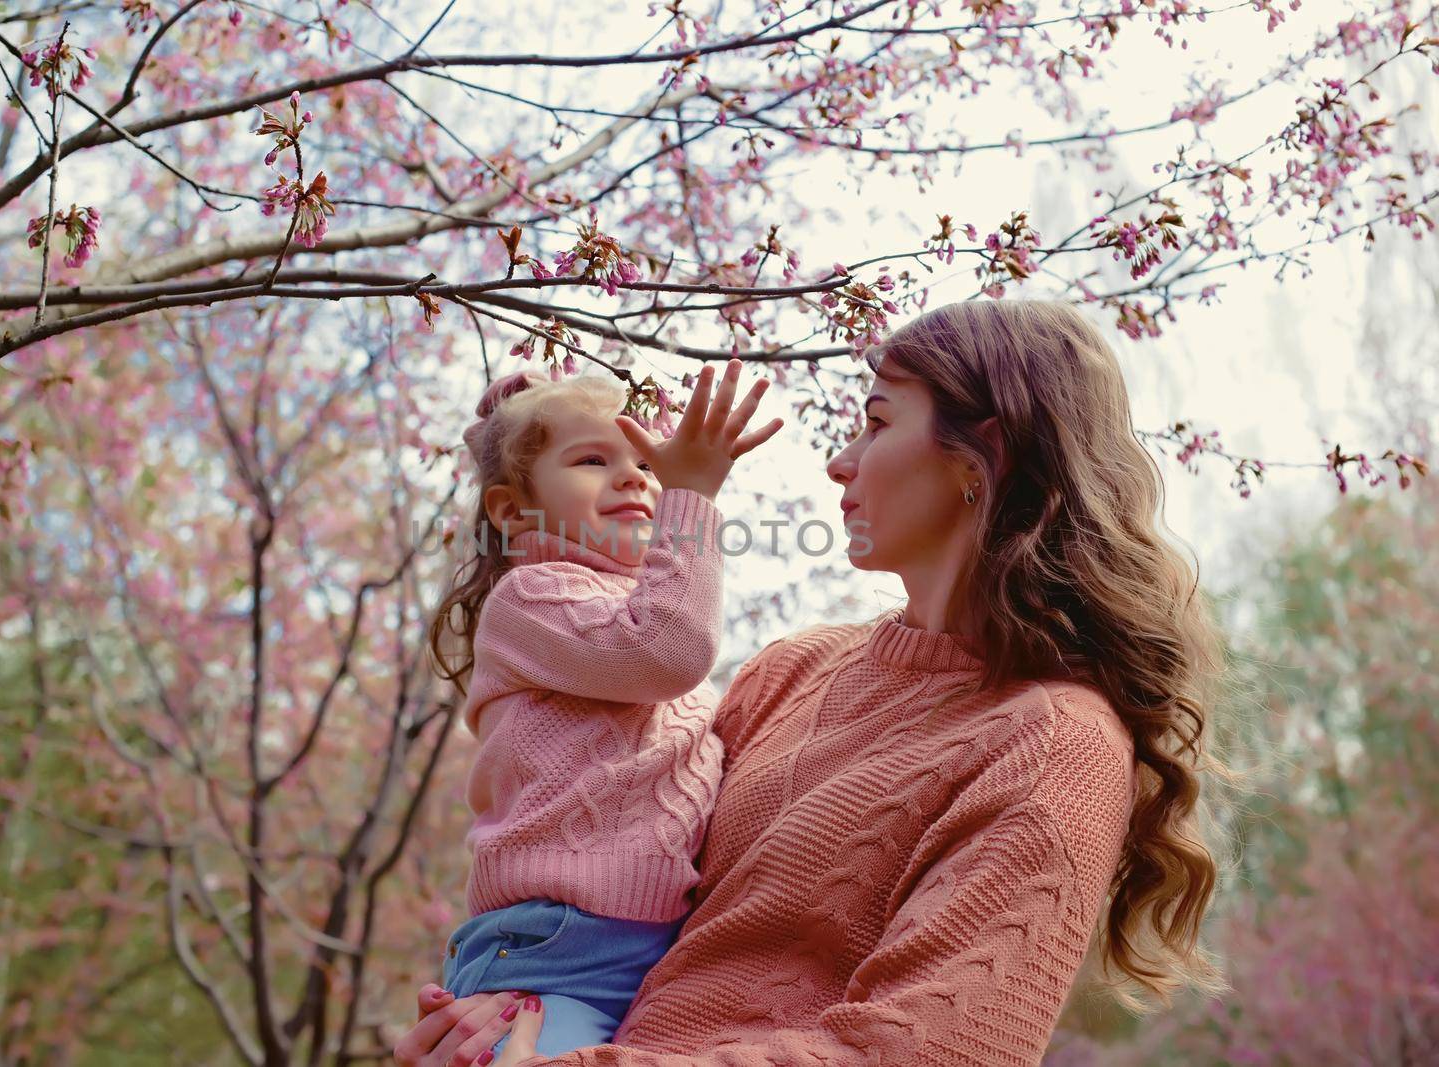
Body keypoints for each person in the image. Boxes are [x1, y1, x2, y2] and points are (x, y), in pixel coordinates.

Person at [399, 300, 1227, 1067]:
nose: (839, 463)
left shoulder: (1054, 745)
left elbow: (928, 1052)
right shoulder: (788, 674)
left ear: (985, 454)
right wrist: (498, 1015)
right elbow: (623, 876)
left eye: (875, 423)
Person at [423, 359, 784, 1062]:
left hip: (653, 949)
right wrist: (692, 495)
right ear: (511, 510)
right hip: (552, 953)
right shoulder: (532, 600)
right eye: (593, 459)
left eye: (650, 465)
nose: (635, 478)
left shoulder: (637, 621)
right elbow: (672, 645)